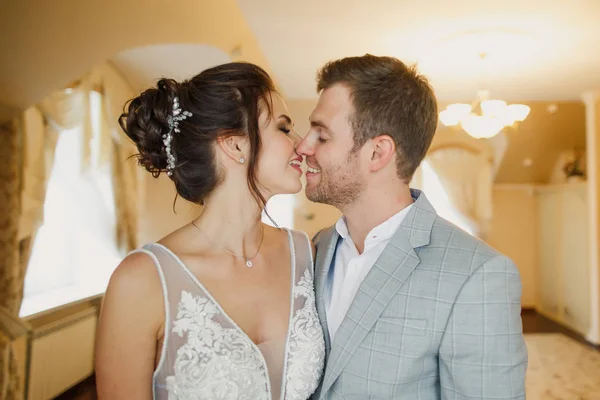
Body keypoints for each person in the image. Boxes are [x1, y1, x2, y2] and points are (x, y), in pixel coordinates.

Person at [296, 54, 527, 399]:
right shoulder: (316, 247)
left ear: (378, 153)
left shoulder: (478, 275)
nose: (303, 147)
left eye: (322, 136)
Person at [95, 62, 325, 400]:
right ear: (234, 145)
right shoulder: (141, 281)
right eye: (283, 128)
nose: (302, 144)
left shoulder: (309, 254)